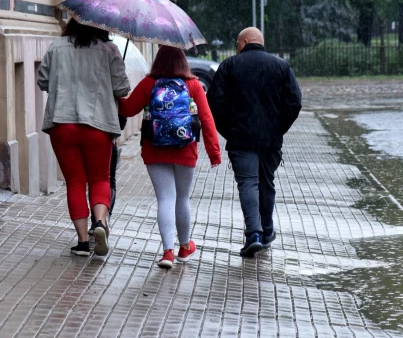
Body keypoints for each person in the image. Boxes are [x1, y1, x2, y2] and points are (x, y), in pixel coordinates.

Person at [118, 45, 221, 269]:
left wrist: (116, 94)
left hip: (155, 149)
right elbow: (207, 119)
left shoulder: (149, 83)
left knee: (165, 198)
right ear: (182, 60)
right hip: (186, 148)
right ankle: (185, 247)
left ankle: (168, 252)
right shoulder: (193, 84)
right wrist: (214, 153)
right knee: (182, 198)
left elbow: (127, 110)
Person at [37, 19, 130, 257]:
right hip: (98, 126)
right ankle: (99, 223)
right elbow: (122, 89)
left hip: (62, 123)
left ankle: (81, 243)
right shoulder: (109, 49)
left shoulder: (57, 46)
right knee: (100, 178)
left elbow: (43, 81)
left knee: (75, 182)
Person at [207, 27, 302, 258]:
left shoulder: (229, 66)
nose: (237, 48)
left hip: (240, 139)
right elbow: (295, 101)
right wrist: (279, 127)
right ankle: (267, 232)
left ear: (246, 41)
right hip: (271, 140)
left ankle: (254, 235)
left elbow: (214, 103)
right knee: (266, 182)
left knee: (248, 183)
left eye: (238, 43)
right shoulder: (280, 66)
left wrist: (228, 130)